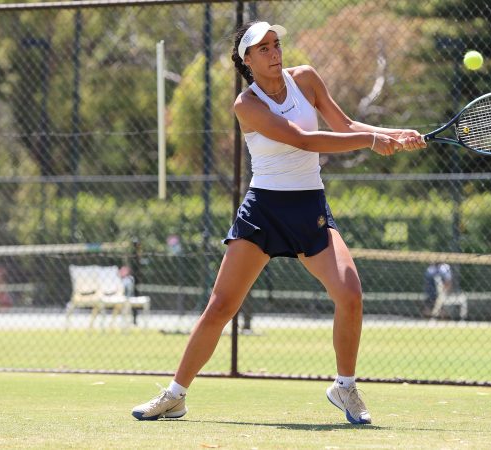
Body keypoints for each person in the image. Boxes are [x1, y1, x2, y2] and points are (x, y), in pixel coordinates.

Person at [131, 21, 426, 425]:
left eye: (276, 44)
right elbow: (302, 139)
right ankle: (175, 395)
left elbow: (345, 126)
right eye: (264, 48)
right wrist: (372, 141)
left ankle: (344, 387)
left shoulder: (306, 79)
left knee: (351, 294)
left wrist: (393, 133)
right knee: (220, 307)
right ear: (246, 60)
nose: (274, 52)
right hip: (264, 210)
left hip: (309, 206)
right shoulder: (246, 104)